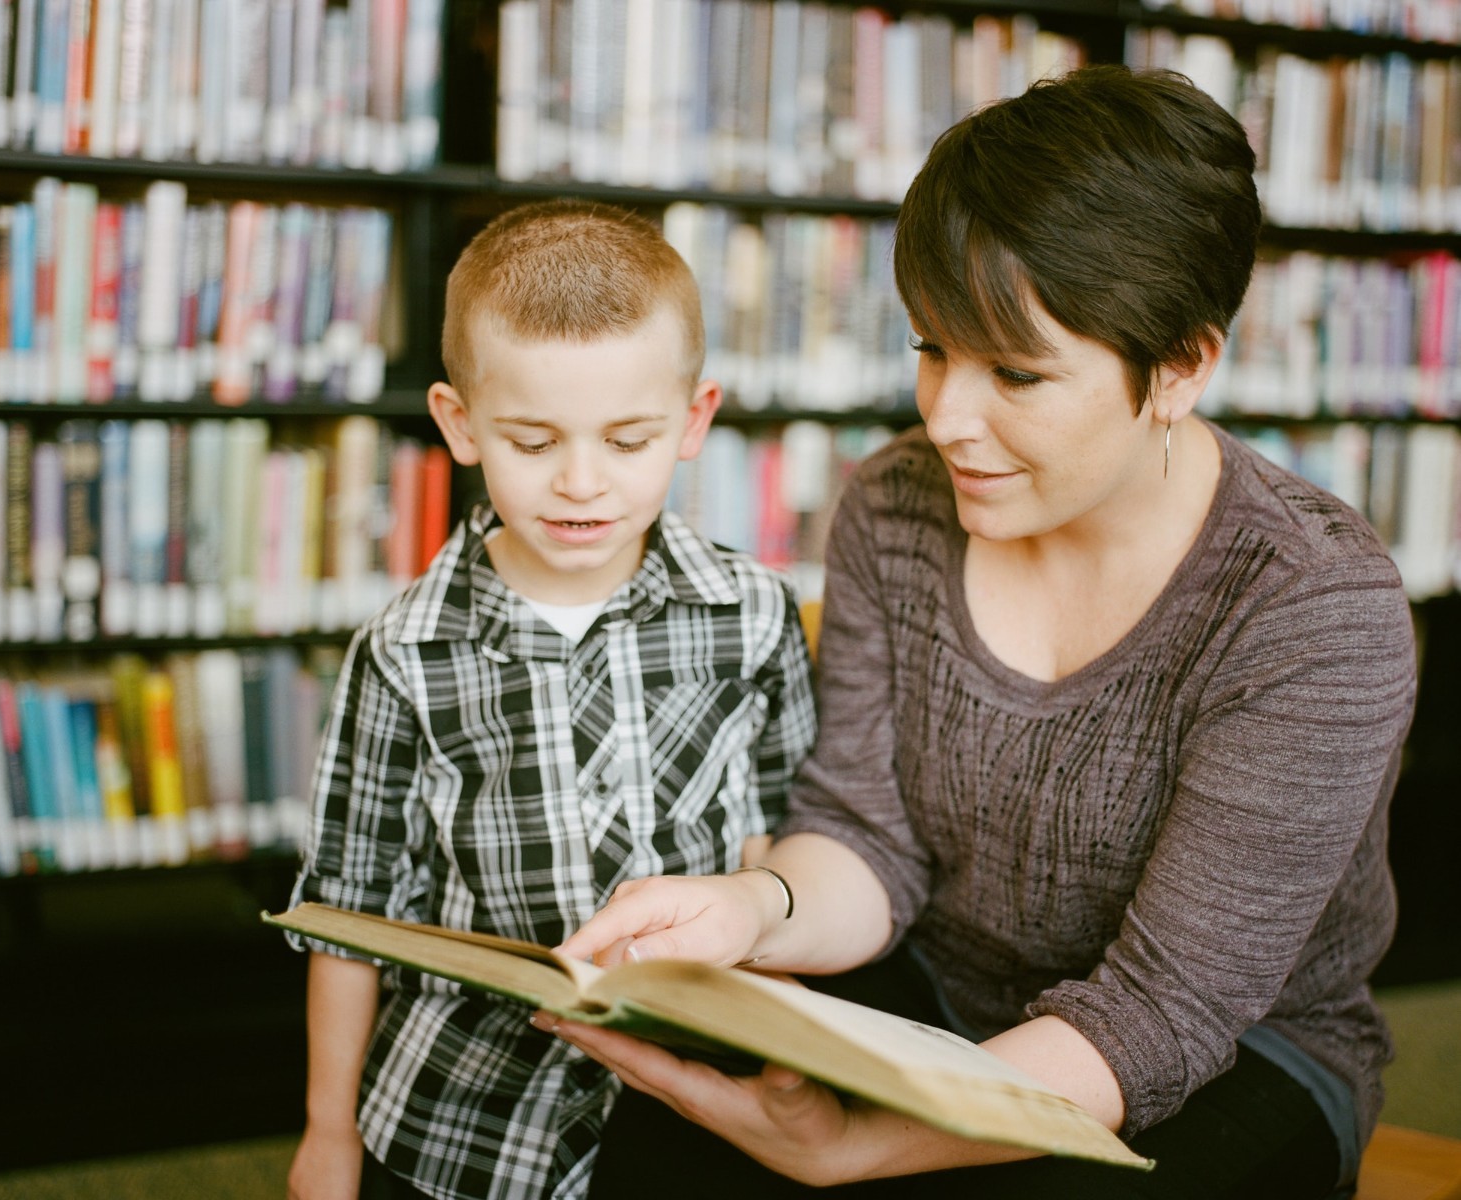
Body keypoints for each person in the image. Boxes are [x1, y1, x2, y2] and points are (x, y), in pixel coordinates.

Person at [544, 66, 1418, 1200]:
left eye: (1016, 371)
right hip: (942, 993)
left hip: (1237, 1059)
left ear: (1183, 367)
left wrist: (859, 1144)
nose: (949, 418)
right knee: (666, 1145)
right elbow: (868, 839)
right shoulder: (896, 505)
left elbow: (1164, 1014)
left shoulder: (1311, 607)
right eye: (932, 349)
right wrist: (748, 908)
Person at [284, 199, 817, 1200]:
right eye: (534, 441)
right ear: (461, 424)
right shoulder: (404, 650)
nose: (582, 484)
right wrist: (327, 1135)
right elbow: (344, 915)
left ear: (695, 420)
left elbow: (781, 836)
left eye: (628, 440)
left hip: (695, 1102)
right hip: (465, 1118)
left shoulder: (750, 613)